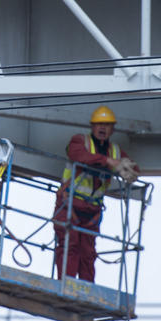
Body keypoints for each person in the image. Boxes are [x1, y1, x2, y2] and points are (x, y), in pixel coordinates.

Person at [53, 106, 139, 283]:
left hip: (92, 210)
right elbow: (78, 156)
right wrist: (107, 161)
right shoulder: (80, 141)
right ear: (92, 126)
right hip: (69, 204)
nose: (102, 128)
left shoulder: (115, 151)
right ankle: (65, 285)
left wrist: (127, 168)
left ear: (112, 129)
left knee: (88, 252)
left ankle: (86, 288)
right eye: (99, 124)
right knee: (70, 246)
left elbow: (135, 169)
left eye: (107, 125)